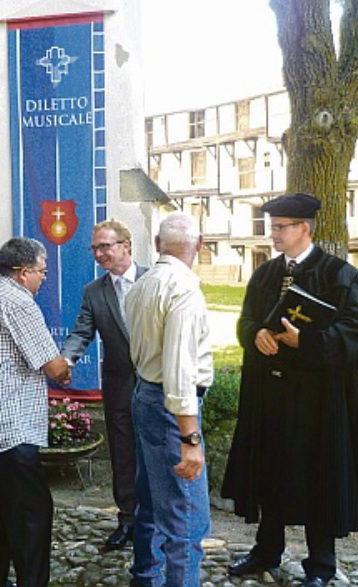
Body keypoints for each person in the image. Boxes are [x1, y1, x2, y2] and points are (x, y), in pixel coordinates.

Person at [221, 192, 358, 587]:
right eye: (271, 226)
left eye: (279, 227)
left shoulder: (339, 275)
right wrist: (255, 333)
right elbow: (246, 322)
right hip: (272, 397)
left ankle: (322, 565)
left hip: (318, 400)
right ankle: (266, 550)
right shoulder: (264, 275)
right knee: (271, 471)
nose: (272, 233)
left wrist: (305, 342)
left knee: (318, 476)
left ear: (303, 228)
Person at [0, 237, 71, 587]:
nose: (44, 279)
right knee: (31, 514)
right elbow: (54, 368)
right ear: (23, 273)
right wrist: (67, 364)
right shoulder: (18, 301)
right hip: (12, 425)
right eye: (41, 272)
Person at [125, 213, 213, 587]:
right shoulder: (184, 288)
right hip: (170, 406)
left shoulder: (143, 284)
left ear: (159, 244)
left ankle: (145, 576)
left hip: (146, 394)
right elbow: (179, 368)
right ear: (200, 244)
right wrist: (190, 439)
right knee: (187, 517)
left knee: (151, 498)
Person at [61, 219, 146, 550]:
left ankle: (156, 523)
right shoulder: (94, 292)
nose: (99, 254)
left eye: (105, 246)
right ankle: (127, 520)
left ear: (126, 246)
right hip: (119, 386)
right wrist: (66, 361)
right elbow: (82, 332)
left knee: (155, 456)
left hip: (157, 387)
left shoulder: (154, 279)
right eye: (94, 248)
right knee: (123, 457)